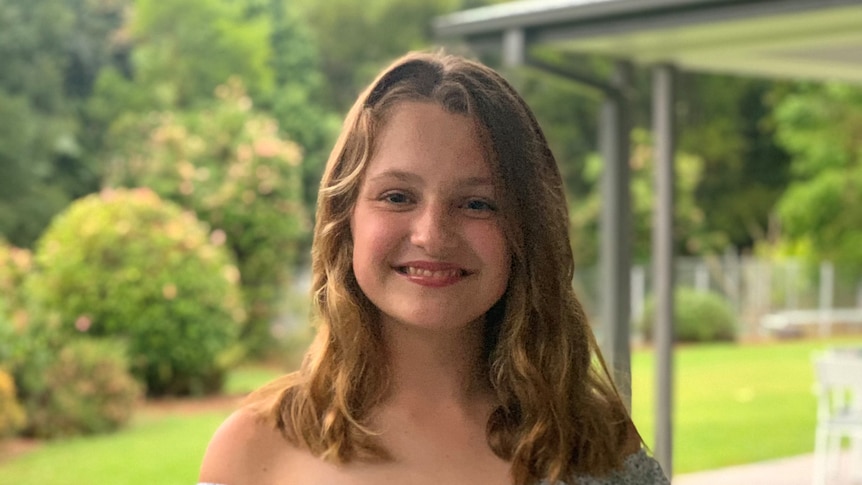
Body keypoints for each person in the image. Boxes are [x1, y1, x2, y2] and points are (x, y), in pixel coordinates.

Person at [198, 50, 669, 485]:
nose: (432, 235)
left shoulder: (594, 443)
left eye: (478, 204)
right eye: (398, 196)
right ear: (345, 220)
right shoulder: (256, 450)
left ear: (526, 232)